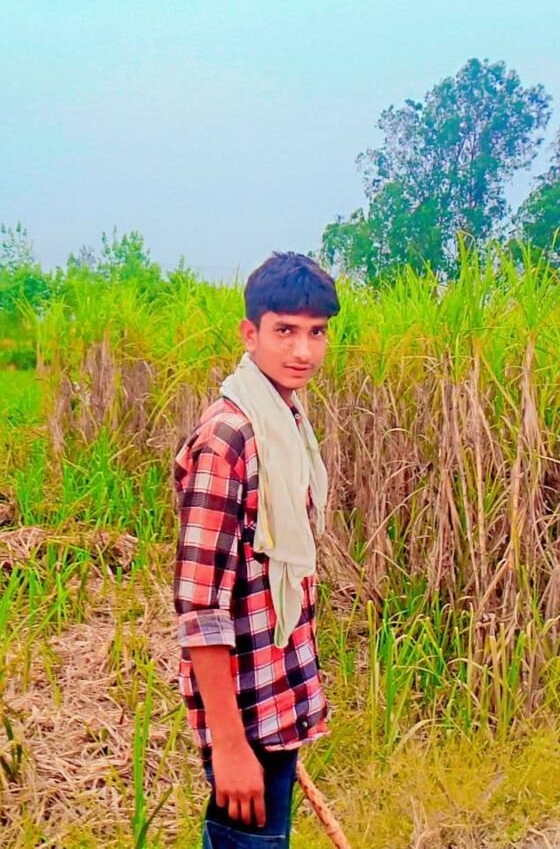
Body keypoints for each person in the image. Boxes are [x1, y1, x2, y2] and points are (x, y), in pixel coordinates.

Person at [173, 251, 340, 847]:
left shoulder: (284, 420)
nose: (303, 351)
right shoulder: (229, 438)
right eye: (285, 331)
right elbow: (200, 608)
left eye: (316, 332)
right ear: (250, 334)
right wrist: (229, 745)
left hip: (275, 696)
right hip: (243, 715)